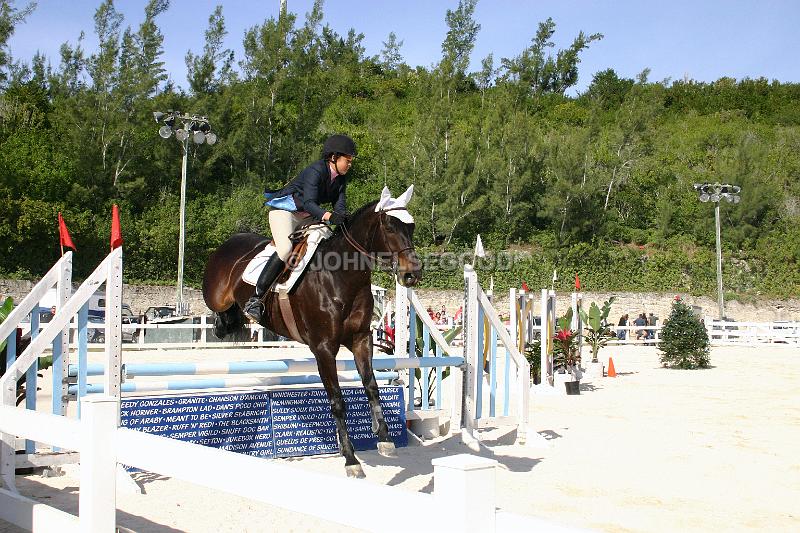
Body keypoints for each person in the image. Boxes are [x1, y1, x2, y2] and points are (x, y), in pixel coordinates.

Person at [243, 134, 357, 324]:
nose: (350, 164)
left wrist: (343, 219)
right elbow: (309, 202)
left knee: (328, 242)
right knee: (286, 250)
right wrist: (329, 216)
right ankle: (256, 299)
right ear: (334, 157)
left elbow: (340, 206)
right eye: (348, 160)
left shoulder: (340, 179)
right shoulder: (316, 171)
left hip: (308, 217)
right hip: (285, 212)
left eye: (351, 161)